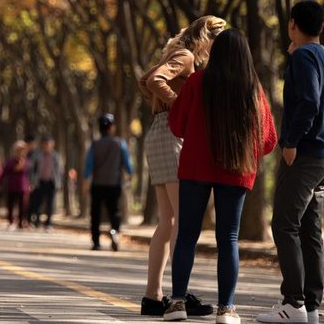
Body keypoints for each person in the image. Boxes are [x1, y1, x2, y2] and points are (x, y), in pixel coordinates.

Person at [164, 29, 277, 324]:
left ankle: (177, 303)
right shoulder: (254, 89)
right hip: (235, 169)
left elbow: (176, 125)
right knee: (228, 237)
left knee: (187, 233)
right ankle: (226, 309)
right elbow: (268, 140)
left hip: (195, 167)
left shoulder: (197, 82)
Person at [139, 16, 227, 317]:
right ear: (208, 39)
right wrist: (178, 103)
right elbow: (153, 80)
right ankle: (178, 294)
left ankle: (153, 296)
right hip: (171, 133)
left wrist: (162, 105)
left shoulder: (176, 53)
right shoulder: (185, 55)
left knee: (169, 221)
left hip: (160, 132)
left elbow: (145, 79)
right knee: (183, 218)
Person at [256, 1, 324, 324]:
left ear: (292, 24)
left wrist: (290, 142)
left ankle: (293, 302)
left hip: (303, 154)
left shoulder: (304, 56)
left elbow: (308, 101)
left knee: (284, 224)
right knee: (309, 230)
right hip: (322, 156)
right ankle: (311, 306)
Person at [84, 113, 132, 251]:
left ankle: (96, 242)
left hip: (98, 183)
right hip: (114, 183)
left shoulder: (95, 144)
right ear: (111, 127)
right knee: (114, 211)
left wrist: (85, 181)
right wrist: (130, 174)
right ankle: (114, 231)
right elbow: (127, 163)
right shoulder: (119, 143)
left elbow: (88, 165)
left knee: (95, 213)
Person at [29, 134, 62, 229]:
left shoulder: (56, 156)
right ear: (42, 144)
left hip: (51, 182)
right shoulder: (37, 155)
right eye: (45, 143)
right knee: (38, 203)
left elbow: (59, 170)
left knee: (50, 204)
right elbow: (32, 169)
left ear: (52, 144)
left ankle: (48, 223)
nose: (47, 145)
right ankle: (37, 221)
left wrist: (58, 182)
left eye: (49, 143)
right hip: (39, 182)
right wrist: (31, 181)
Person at [0, 141, 31, 230]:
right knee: (10, 205)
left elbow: (30, 174)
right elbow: (4, 172)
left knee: (22, 206)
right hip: (11, 186)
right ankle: (11, 221)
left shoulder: (27, 162)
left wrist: (30, 184)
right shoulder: (10, 161)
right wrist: (0, 182)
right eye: (19, 150)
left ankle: (21, 222)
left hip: (23, 187)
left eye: (22, 150)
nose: (21, 152)